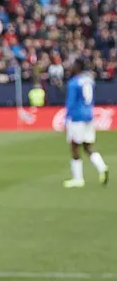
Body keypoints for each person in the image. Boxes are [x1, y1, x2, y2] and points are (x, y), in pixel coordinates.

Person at [63, 58, 109, 187]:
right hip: (89, 115)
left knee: (74, 146)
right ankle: (102, 167)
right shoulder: (90, 80)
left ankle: (78, 179)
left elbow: (71, 103)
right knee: (87, 146)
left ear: (77, 67)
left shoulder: (73, 83)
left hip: (77, 117)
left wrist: (66, 118)